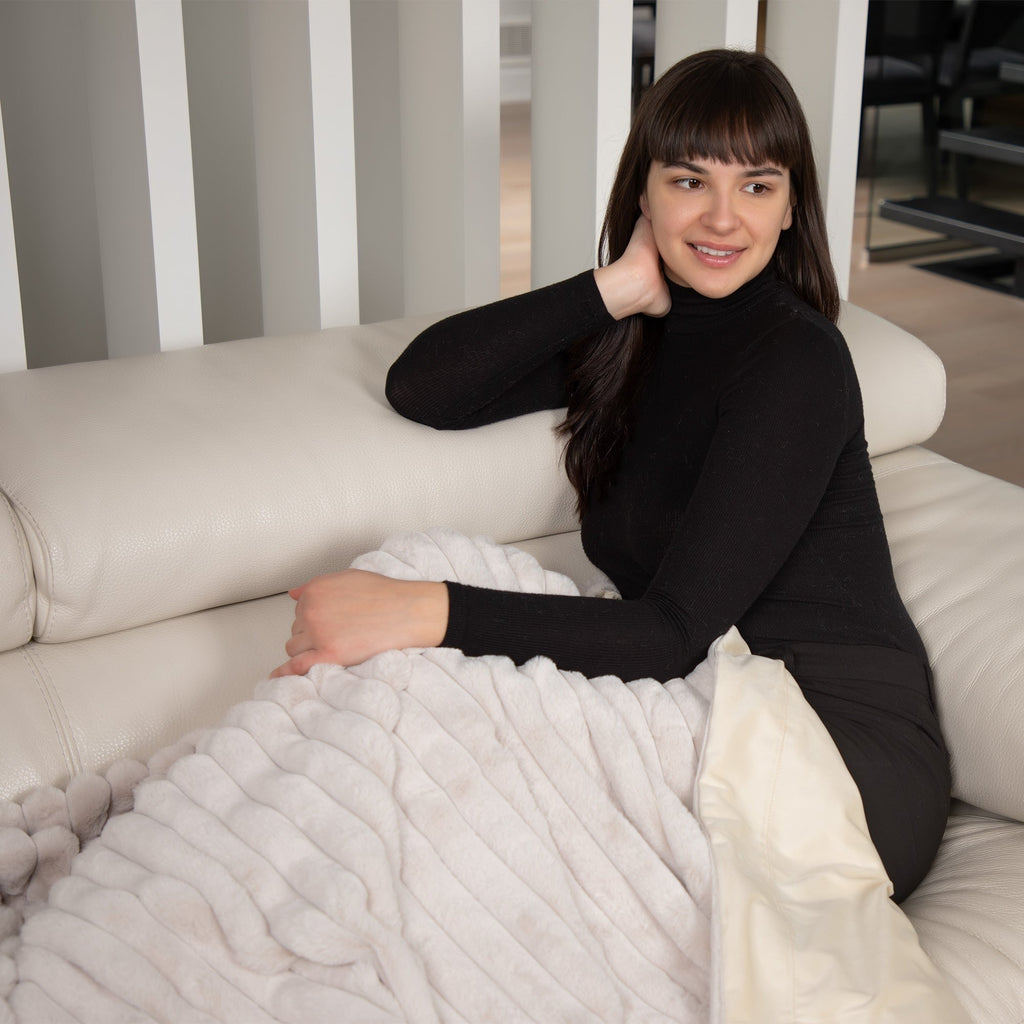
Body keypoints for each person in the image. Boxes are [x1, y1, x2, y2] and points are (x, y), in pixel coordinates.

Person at [272, 49, 950, 902]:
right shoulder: (634, 338)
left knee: (435, 711)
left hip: (838, 756)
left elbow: (672, 629)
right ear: (643, 192)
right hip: (705, 699)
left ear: (789, 209)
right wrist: (615, 286)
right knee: (419, 731)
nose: (722, 218)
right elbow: (424, 389)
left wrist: (424, 610)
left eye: (757, 186)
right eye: (687, 181)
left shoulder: (797, 361)